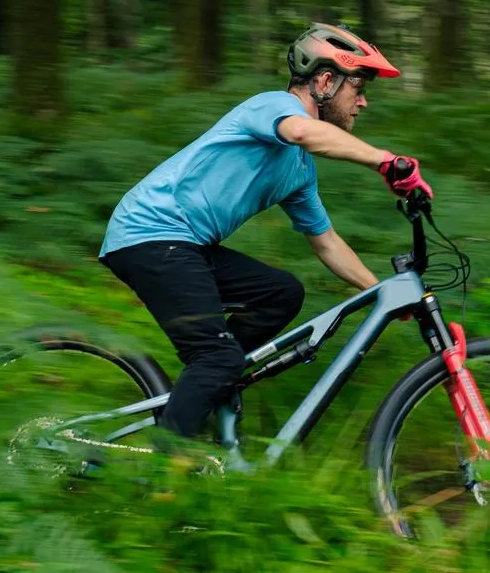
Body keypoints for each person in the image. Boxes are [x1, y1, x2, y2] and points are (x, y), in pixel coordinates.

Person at [97, 23, 433, 444]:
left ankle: (206, 386)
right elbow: (302, 131)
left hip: (184, 244)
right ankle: (166, 469)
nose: (362, 103)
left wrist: (382, 292)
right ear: (326, 81)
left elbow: (327, 243)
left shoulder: (298, 170)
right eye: (358, 88)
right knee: (216, 358)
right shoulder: (271, 107)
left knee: (282, 293)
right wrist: (387, 162)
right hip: (149, 233)